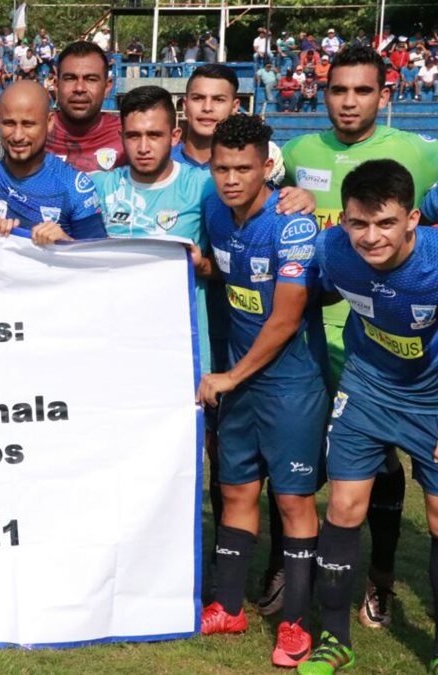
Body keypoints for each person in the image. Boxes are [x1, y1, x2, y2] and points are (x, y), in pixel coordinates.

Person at [282, 45, 438, 630]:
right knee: (333, 490)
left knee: (418, 500)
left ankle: (383, 582)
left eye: (363, 90)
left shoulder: (419, 155)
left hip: (426, 383)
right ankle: (316, 612)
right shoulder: (301, 165)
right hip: (351, 367)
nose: (349, 101)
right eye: (339, 89)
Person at [197, 114, 327, 669]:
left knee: (294, 501)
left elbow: (286, 315)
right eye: (222, 168)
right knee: (236, 491)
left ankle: (296, 623)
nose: (231, 179)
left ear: (266, 166)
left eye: (243, 169)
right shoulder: (213, 209)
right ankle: (229, 607)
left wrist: (230, 376)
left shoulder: (292, 225)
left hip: (290, 384)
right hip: (240, 381)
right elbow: (225, 275)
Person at [299, 160, 438, 675]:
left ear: (412, 219)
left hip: (432, 400)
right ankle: (335, 640)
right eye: (358, 223)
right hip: (367, 389)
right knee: (343, 507)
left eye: (385, 223)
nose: (371, 237)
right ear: (344, 220)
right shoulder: (332, 249)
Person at [93, 86, 215, 368]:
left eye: (155, 135)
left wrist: (202, 266)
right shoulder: (99, 186)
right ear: (121, 137)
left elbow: (237, 261)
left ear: (175, 136)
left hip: (181, 352)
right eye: (134, 136)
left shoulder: (204, 186)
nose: (143, 147)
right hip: (115, 348)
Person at [0, 81, 105, 243]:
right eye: (9, 123)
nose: (18, 136)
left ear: (49, 122)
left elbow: (97, 255)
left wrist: (66, 243)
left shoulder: (74, 188)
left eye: (28, 124)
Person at [48, 41, 126, 173]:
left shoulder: (128, 136)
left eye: (91, 79)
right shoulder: (34, 135)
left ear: (107, 86)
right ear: (56, 85)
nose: (79, 88)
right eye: (70, 78)